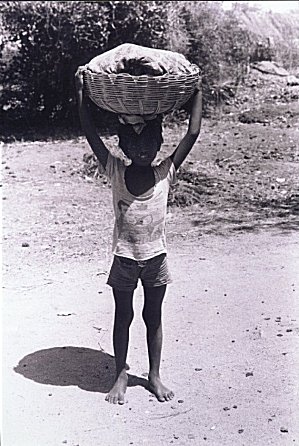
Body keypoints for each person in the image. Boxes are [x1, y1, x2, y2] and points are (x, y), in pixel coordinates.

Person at [75, 66, 202, 405]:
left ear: (159, 143)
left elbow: (193, 132)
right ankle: (120, 374)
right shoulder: (114, 168)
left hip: (156, 259)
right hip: (125, 259)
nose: (144, 150)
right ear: (125, 145)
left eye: (151, 142)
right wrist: (82, 95)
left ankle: (155, 376)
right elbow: (89, 131)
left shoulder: (165, 173)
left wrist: (197, 91)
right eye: (136, 143)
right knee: (123, 316)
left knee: (153, 317)